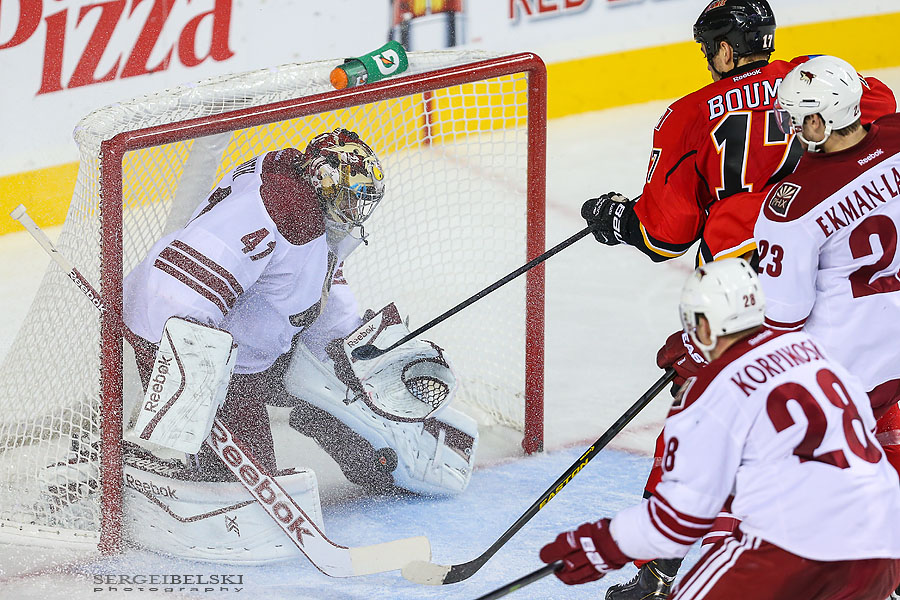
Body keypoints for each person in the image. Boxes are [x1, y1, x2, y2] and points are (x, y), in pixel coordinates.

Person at [581, 2, 896, 596]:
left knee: (707, 411)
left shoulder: (690, 116)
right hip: (830, 278)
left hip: (740, 288)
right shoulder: (823, 78)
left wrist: (620, 219)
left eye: (710, 48)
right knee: (867, 407)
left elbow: (666, 231)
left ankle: (661, 567)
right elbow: (872, 118)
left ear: (724, 50)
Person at [122, 128, 477, 498]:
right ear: (323, 183)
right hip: (189, 345)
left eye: (364, 201)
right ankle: (146, 468)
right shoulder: (277, 211)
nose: (357, 212)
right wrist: (196, 369)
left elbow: (317, 278)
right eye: (351, 199)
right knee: (246, 490)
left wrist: (350, 342)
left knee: (344, 399)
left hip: (264, 352)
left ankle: (378, 469)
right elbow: (177, 286)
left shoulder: (311, 211)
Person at [539, 258, 900, 600]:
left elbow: (676, 521)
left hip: (801, 551)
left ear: (706, 326)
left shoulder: (711, 394)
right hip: (885, 543)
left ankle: (658, 578)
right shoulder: (817, 353)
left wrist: (601, 545)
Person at [756, 57, 900, 599]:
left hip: (849, 367)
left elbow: (782, 320)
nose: (793, 129)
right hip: (895, 349)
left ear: (819, 121)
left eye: (799, 119)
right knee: (885, 429)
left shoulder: (793, 204)